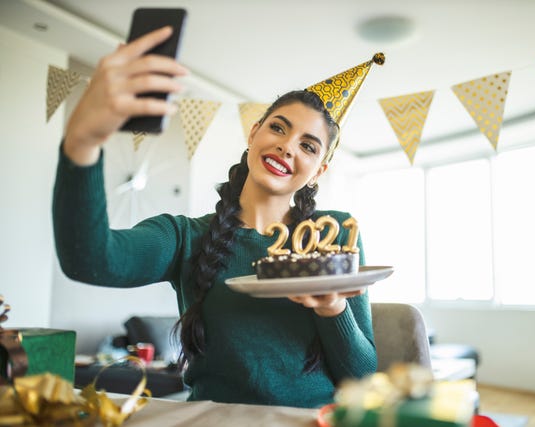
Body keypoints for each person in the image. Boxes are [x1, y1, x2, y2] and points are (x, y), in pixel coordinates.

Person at [53, 26, 383, 408]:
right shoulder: (184, 237)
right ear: (254, 132)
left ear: (319, 171)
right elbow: (90, 260)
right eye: (278, 127)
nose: (286, 146)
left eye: (308, 146)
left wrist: (333, 308)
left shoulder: (335, 235)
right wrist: (83, 142)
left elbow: (363, 379)